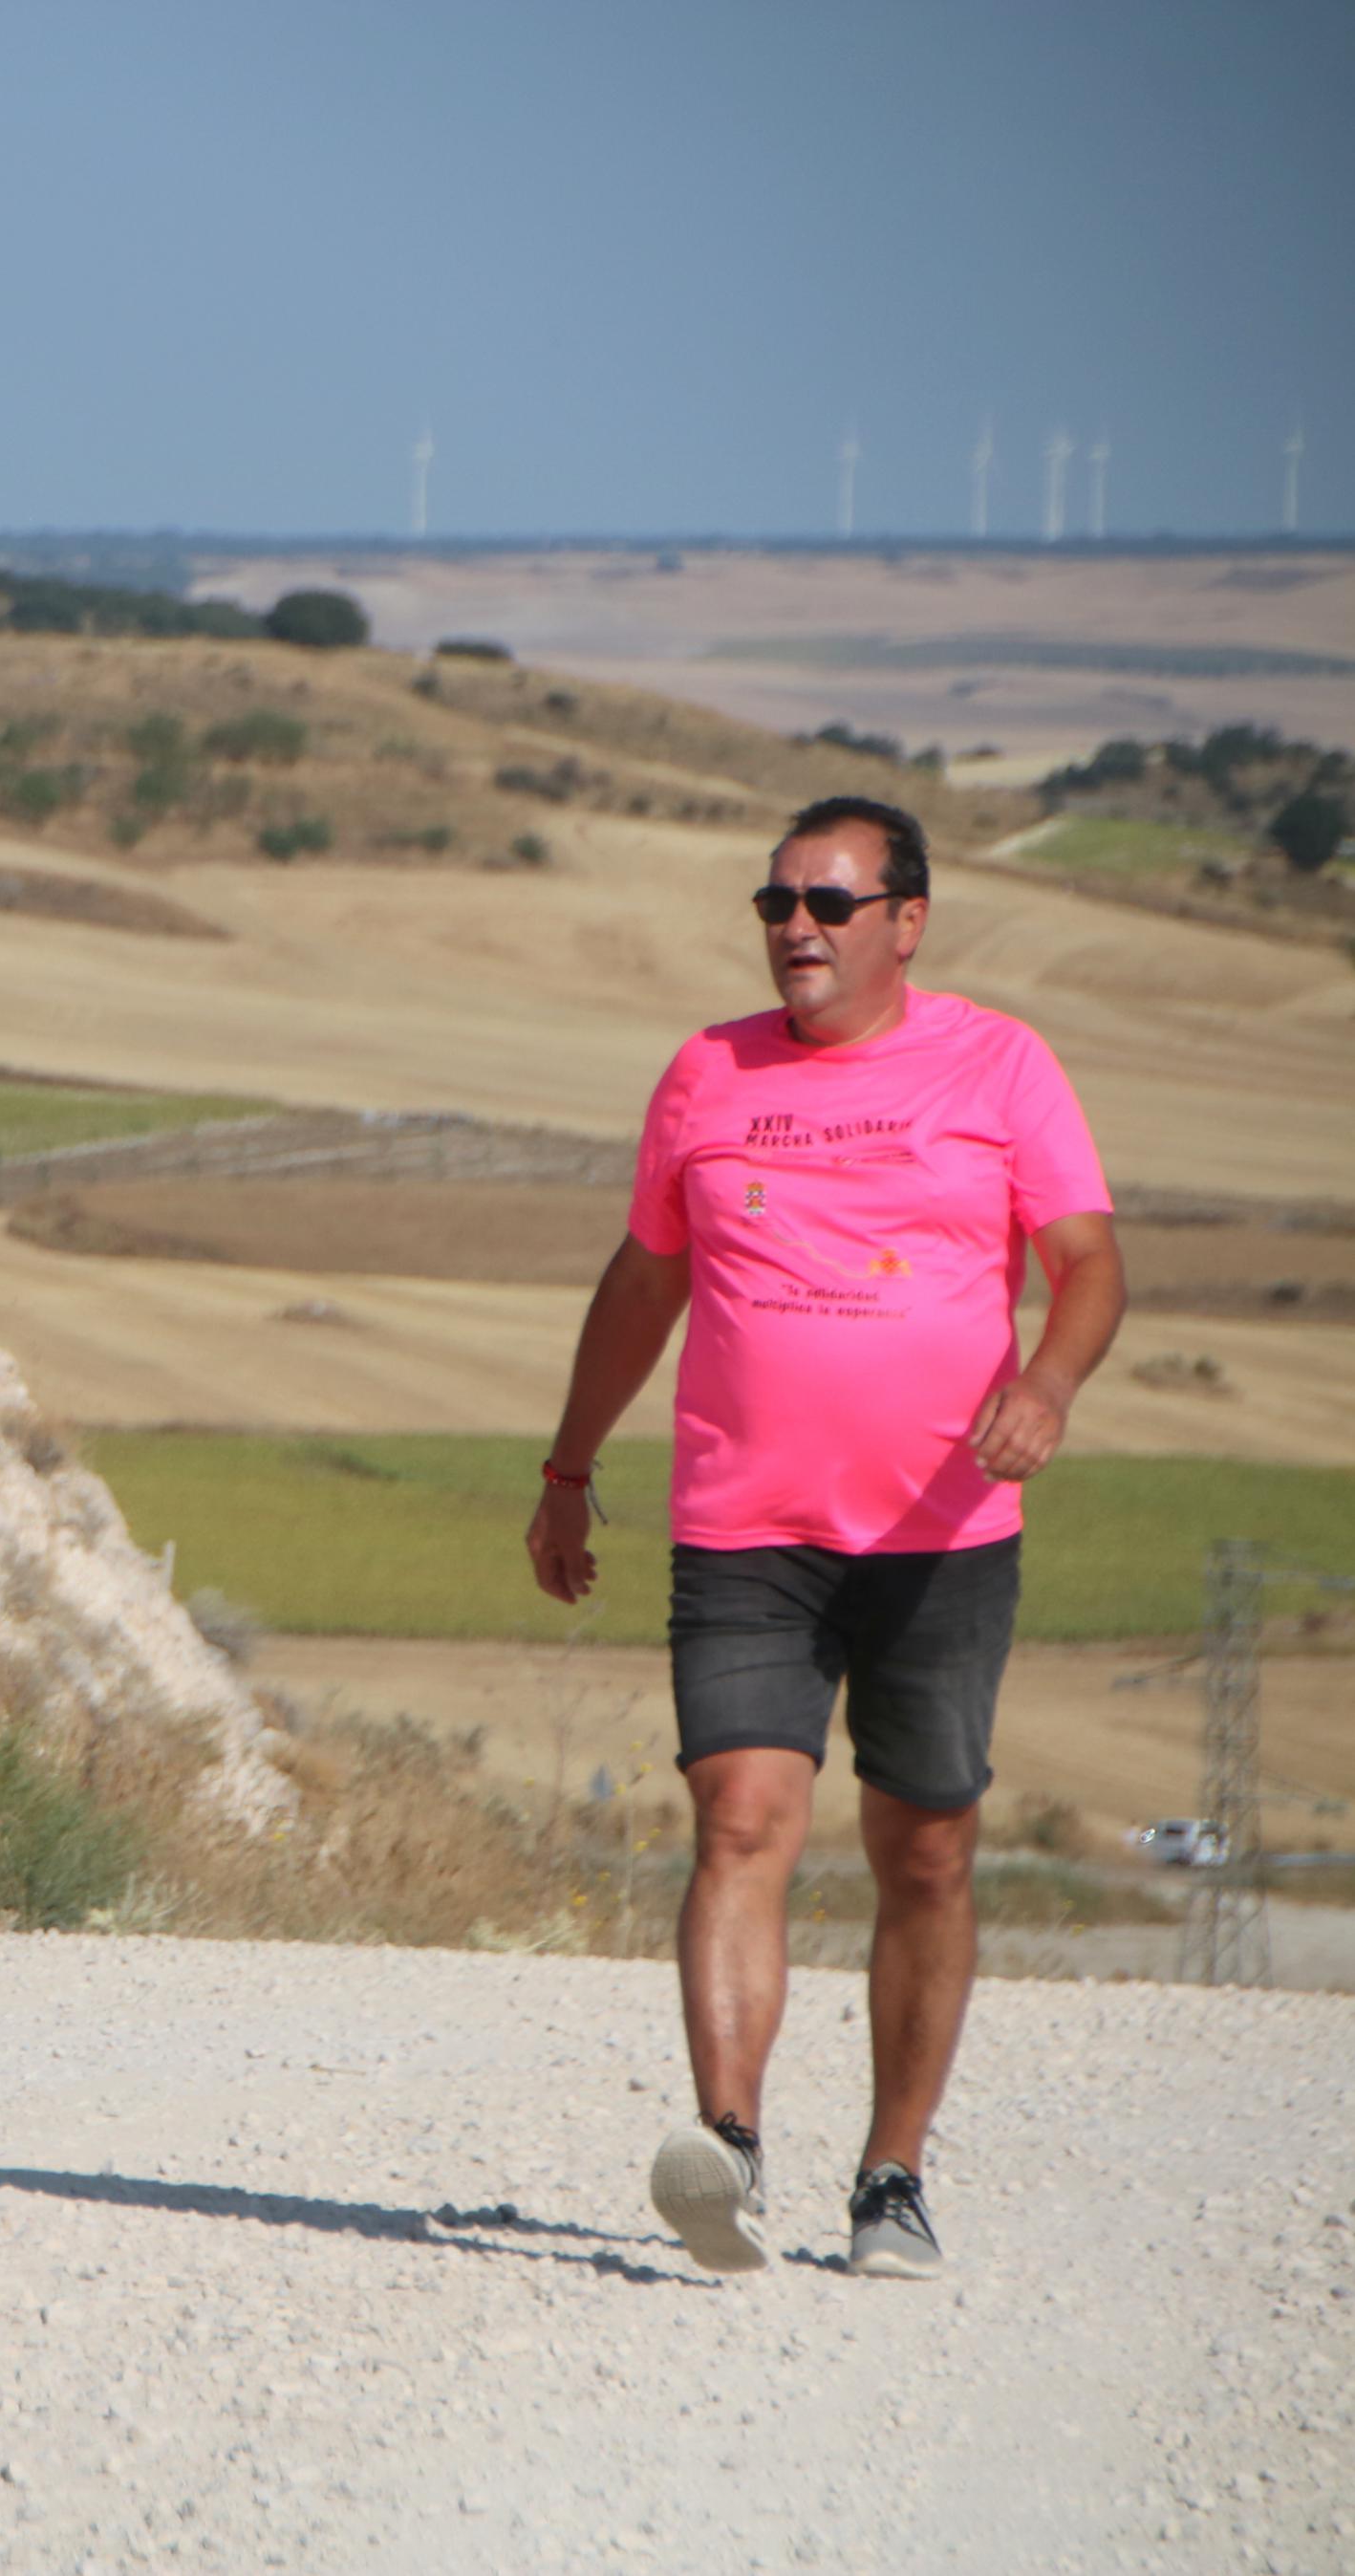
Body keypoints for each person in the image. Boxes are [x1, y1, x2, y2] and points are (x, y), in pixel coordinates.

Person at [525, 796, 1122, 2281]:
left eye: (831, 903)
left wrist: (1047, 1383)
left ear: (906, 923)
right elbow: (647, 1283)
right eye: (776, 901)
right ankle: (723, 2148)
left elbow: (1090, 1261)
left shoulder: (1001, 1063)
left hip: (942, 1531)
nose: (797, 925)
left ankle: (892, 2177)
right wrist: (567, 1465)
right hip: (747, 1527)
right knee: (739, 1822)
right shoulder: (705, 1075)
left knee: (925, 1850)